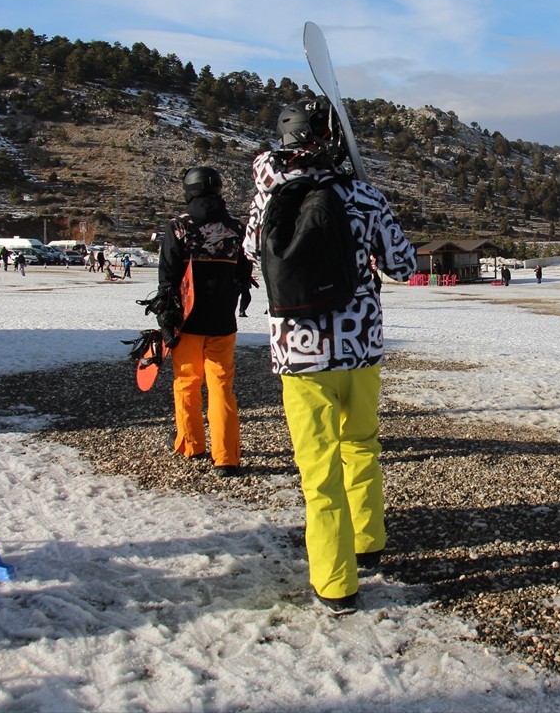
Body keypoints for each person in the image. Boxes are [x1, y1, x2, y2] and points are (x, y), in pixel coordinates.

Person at [244, 97, 417, 616]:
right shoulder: (364, 194)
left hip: (299, 352)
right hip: (361, 345)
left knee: (318, 468)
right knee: (361, 444)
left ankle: (336, 582)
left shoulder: (269, 194)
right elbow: (404, 266)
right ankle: (368, 540)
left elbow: (254, 251)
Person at [157, 166, 252, 479]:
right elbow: (243, 275)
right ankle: (226, 457)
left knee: (187, 383)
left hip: (187, 322)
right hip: (223, 320)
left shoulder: (178, 227)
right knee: (222, 387)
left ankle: (192, 445)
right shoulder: (236, 228)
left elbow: (168, 278)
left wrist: (166, 317)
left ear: (190, 190)